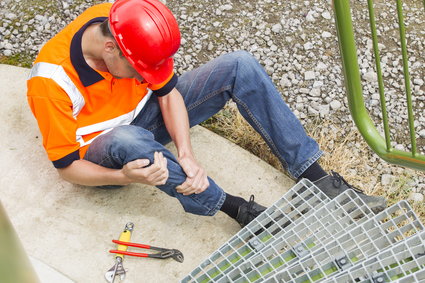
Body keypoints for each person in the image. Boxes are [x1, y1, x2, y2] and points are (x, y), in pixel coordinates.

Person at [27, 0, 386, 228]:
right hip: (107, 152)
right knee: (128, 138)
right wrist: (124, 178)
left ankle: (317, 178)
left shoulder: (120, 23)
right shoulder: (51, 82)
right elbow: (68, 169)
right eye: (140, 72)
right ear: (109, 49)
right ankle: (235, 209)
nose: (144, 79)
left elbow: (167, 96)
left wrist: (186, 153)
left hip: (143, 118)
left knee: (239, 65)